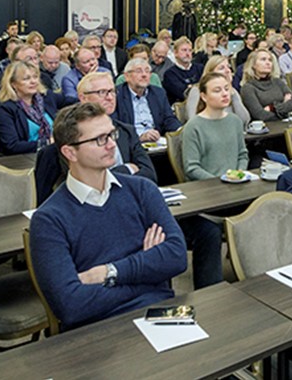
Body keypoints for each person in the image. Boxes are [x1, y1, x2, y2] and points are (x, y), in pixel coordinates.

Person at [28, 103, 187, 331]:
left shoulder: (142, 190)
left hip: (159, 313)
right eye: (100, 139)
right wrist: (148, 274)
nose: (112, 144)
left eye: (112, 134)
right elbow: (70, 306)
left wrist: (109, 273)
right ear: (69, 152)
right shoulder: (49, 219)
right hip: (95, 329)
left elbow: (177, 257)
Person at [73, 72, 155, 181]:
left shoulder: (126, 130)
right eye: (102, 92)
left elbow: (150, 174)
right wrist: (127, 168)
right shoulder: (74, 134)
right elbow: (90, 180)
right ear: (83, 98)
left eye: (112, 91)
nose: (110, 98)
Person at [181, 72, 249, 181]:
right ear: (203, 96)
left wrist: (239, 174)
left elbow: (242, 155)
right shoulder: (193, 126)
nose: (225, 94)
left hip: (236, 183)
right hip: (208, 187)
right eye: (217, 91)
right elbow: (191, 168)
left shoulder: (235, 121)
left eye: (226, 89)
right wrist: (219, 181)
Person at [113, 58, 182, 145]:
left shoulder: (158, 93)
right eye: (139, 71)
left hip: (157, 142)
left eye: (147, 71)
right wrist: (139, 137)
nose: (144, 75)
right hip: (130, 145)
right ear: (127, 76)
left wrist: (180, 130)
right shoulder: (116, 95)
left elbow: (168, 118)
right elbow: (115, 125)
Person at [0, 61, 59, 154]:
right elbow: (12, 146)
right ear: (13, 84)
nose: (33, 81)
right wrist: (47, 143)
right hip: (26, 159)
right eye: (26, 79)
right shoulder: (6, 110)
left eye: (35, 77)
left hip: (55, 153)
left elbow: (74, 102)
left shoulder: (46, 98)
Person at [185, 55, 253, 124]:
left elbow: (245, 120)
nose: (227, 71)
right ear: (210, 73)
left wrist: (232, 93)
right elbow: (192, 121)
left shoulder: (232, 91)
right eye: (221, 68)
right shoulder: (197, 90)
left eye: (228, 67)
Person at [241, 48, 292, 121]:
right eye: (263, 59)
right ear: (253, 65)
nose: (268, 63)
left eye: (270, 60)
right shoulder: (248, 88)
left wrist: (271, 108)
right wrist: (284, 105)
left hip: (287, 123)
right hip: (267, 128)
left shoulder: (278, 82)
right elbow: (260, 115)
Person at [162, 37, 201, 105]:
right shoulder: (170, 74)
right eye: (184, 50)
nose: (187, 53)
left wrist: (191, 87)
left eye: (190, 50)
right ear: (175, 53)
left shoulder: (200, 68)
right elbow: (183, 93)